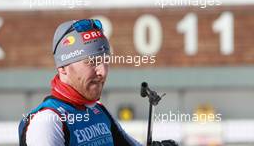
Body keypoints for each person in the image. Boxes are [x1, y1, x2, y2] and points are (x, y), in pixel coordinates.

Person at [18, 19, 178, 146]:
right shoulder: (48, 122)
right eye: (92, 62)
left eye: (105, 61)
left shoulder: (98, 111)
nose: (102, 71)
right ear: (64, 68)